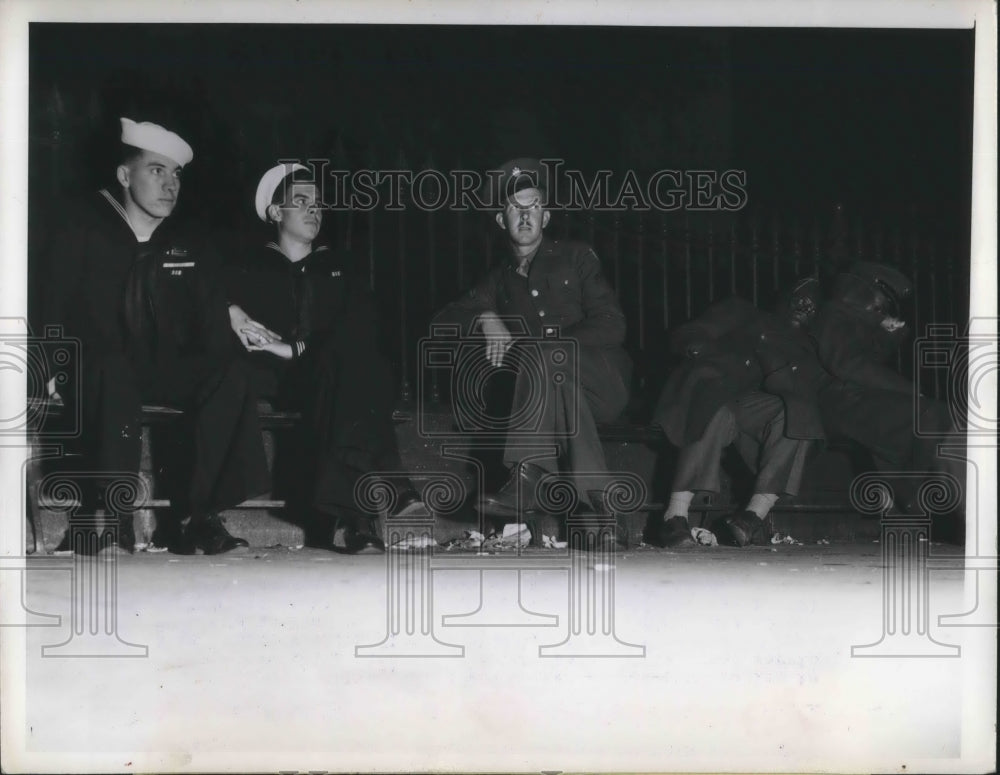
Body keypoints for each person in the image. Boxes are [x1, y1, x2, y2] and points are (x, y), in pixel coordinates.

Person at [42, 118, 270, 554]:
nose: (170, 185)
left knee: (230, 374)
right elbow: (53, 301)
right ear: (124, 175)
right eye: (156, 170)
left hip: (162, 367)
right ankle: (112, 517)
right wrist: (51, 364)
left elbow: (208, 310)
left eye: (176, 174)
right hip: (98, 370)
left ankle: (197, 517)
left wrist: (226, 322)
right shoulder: (82, 228)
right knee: (111, 368)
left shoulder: (188, 240)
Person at [224, 163, 427, 553]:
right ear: (275, 212)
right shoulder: (249, 266)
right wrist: (231, 310)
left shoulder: (341, 267)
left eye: (317, 203)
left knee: (355, 362)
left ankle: (353, 523)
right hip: (267, 374)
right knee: (351, 381)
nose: (313, 209)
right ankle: (389, 486)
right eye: (300, 201)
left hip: (327, 374)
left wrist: (298, 348)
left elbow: (362, 327)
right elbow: (207, 297)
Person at [433, 158, 632, 520]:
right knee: (560, 388)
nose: (525, 215)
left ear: (546, 217)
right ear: (501, 220)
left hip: (602, 382)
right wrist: (485, 317)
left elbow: (612, 324)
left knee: (543, 356)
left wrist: (550, 345)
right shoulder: (498, 279)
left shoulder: (577, 256)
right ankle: (600, 509)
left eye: (534, 206)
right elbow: (442, 320)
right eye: (515, 208)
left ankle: (527, 478)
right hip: (554, 394)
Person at [650, 278, 828, 547]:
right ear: (782, 297)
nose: (806, 306)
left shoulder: (806, 348)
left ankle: (752, 519)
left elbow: (798, 388)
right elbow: (692, 332)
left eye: (813, 305)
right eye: (800, 298)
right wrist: (697, 346)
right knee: (714, 405)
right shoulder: (741, 312)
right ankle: (674, 516)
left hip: (751, 405)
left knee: (798, 412)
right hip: (714, 388)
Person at [810, 262, 965, 520]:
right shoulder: (833, 314)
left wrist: (888, 335)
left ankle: (914, 493)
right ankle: (912, 493)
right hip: (837, 402)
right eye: (883, 301)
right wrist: (909, 390)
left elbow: (866, 364)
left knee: (935, 417)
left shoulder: (852, 321)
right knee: (930, 415)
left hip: (852, 400)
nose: (882, 309)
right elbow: (847, 365)